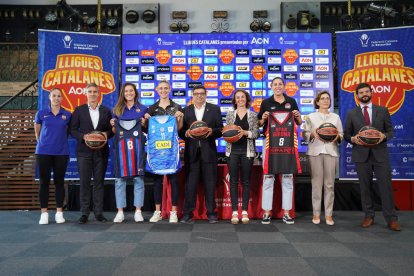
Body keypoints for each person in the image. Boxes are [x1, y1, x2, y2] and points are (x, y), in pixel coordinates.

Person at [344, 82, 401, 231]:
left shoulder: (382, 110)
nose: (364, 94)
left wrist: (384, 136)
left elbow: (390, 131)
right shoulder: (351, 113)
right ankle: (369, 216)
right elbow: (346, 134)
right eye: (361, 92)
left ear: (371, 93)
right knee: (365, 187)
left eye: (366, 92)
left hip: (380, 154)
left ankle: (391, 219)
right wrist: (353, 139)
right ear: (357, 96)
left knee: (386, 187)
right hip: (361, 155)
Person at [258, 77, 302, 225]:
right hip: (270, 144)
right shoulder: (266, 103)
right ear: (271, 87)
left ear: (284, 86)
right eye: (275, 84)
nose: (278, 86)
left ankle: (287, 212)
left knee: (288, 176)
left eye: (280, 84)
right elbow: (259, 123)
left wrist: (298, 117)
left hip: (288, 144)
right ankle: (266, 212)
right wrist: (263, 119)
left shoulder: (292, 102)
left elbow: (299, 123)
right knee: (268, 177)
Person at [179, 85, 223, 224]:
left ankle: (211, 213)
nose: (199, 96)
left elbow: (221, 130)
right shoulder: (185, 111)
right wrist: (185, 133)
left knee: (210, 185)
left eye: (202, 93)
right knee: (190, 185)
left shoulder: (214, 109)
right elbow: (180, 131)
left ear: (206, 94)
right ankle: (188, 213)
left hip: (208, 152)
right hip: (191, 154)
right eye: (196, 93)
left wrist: (212, 131)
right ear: (192, 95)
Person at [70, 83, 113, 224]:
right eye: (90, 91)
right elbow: (73, 129)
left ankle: (99, 213)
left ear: (99, 93)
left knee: (99, 183)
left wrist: (102, 135)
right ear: (86, 93)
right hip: (84, 152)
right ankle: (84, 213)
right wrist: (84, 137)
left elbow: (110, 131)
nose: (93, 94)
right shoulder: (79, 110)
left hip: (101, 152)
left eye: (95, 91)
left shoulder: (106, 110)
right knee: (84, 183)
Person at [144, 81, 183, 223]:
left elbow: (179, 128)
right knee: (157, 181)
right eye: (161, 88)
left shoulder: (176, 107)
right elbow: (146, 129)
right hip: (156, 150)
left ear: (170, 89)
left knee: (173, 180)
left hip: (171, 149)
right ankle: (157, 211)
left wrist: (180, 117)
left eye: (166, 88)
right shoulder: (151, 108)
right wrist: (145, 120)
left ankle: (173, 212)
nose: (163, 90)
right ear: (156, 90)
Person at [303, 91, 343, 226]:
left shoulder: (336, 117)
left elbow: (341, 134)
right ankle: (316, 213)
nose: (325, 101)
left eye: (328, 99)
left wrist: (336, 136)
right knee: (316, 184)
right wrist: (312, 134)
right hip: (315, 152)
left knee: (329, 184)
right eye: (323, 99)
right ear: (317, 102)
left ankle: (328, 214)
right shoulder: (310, 117)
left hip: (331, 151)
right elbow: (305, 134)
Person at [111, 82, 148, 223]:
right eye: (126, 91)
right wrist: (112, 125)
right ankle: (120, 211)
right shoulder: (116, 110)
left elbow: (146, 130)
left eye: (131, 91)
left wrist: (145, 123)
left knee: (138, 179)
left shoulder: (143, 109)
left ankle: (138, 211)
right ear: (123, 93)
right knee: (120, 180)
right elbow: (115, 132)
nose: (129, 93)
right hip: (121, 149)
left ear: (135, 92)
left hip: (137, 149)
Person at [35, 88, 71, 225]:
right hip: (43, 152)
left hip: (61, 153)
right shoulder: (41, 113)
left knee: (59, 182)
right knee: (44, 182)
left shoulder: (67, 114)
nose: (56, 98)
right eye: (54, 96)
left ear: (62, 99)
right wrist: (42, 143)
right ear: (49, 97)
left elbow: (67, 132)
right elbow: (37, 131)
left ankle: (59, 212)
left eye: (59, 96)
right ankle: (44, 213)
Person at [225, 90, 259, 224]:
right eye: (237, 97)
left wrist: (245, 132)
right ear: (234, 100)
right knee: (233, 181)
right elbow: (227, 134)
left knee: (246, 181)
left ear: (246, 99)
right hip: (232, 152)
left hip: (247, 152)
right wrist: (229, 134)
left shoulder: (253, 115)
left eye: (242, 97)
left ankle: (244, 211)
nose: (240, 99)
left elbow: (256, 134)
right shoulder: (229, 115)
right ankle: (234, 212)